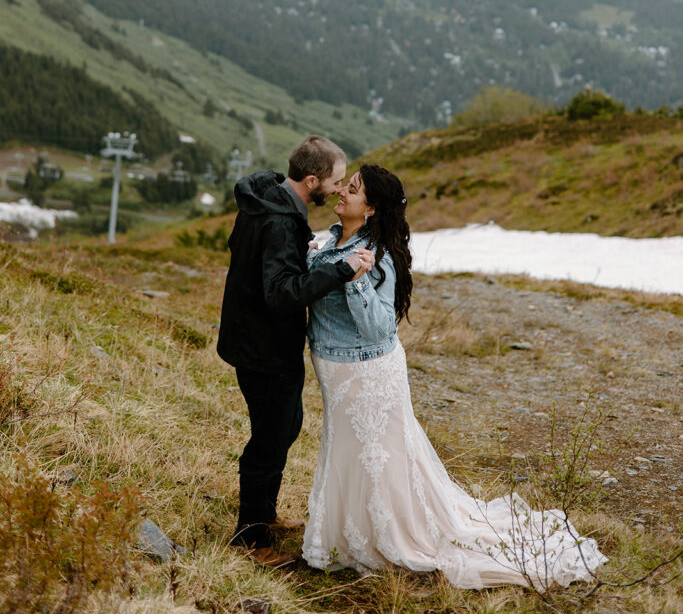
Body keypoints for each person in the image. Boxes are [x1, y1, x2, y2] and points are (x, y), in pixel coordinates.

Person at [302, 164, 607, 590]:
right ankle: (347, 535)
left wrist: (356, 282)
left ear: (370, 209)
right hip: (333, 367)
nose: (341, 193)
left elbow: (379, 328)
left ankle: (389, 537)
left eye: (351, 190)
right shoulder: (332, 237)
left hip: (365, 370)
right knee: (350, 451)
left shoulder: (376, 256)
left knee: (377, 456)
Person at [216, 136, 375, 567]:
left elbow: (249, 258)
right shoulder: (280, 221)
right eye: (337, 181)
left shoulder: (267, 201)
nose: (341, 189)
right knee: (269, 440)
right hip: (266, 349)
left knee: (284, 428)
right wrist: (342, 270)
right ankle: (251, 539)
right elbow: (280, 293)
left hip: (253, 340)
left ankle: (263, 515)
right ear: (312, 180)